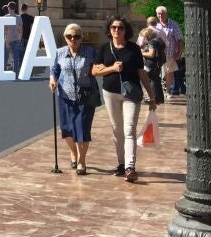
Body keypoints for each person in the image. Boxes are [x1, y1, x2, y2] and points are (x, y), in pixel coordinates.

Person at [92, 16, 157, 183]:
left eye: (120, 27)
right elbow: (95, 71)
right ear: (109, 30)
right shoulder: (104, 48)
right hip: (110, 93)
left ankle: (130, 167)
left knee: (129, 129)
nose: (116, 30)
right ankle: (121, 163)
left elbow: (141, 73)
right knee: (117, 129)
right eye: (113, 27)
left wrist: (151, 96)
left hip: (131, 94)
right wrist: (112, 68)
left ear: (125, 30)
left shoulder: (133, 49)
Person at [49, 24, 98, 175]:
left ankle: (82, 160)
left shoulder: (90, 52)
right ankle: (73, 152)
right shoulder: (60, 52)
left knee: (82, 129)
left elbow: (99, 67)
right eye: (69, 36)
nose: (73, 39)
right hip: (65, 96)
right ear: (65, 38)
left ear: (81, 37)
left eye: (76, 36)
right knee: (67, 129)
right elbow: (55, 68)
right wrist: (52, 79)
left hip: (85, 96)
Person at [155, 6, 183, 96]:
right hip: (157, 55)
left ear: (166, 14)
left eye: (162, 13)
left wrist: (179, 53)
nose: (160, 15)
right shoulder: (155, 25)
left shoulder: (173, 25)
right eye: (158, 13)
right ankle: (159, 92)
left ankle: (167, 92)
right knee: (158, 74)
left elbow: (179, 40)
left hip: (170, 54)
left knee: (168, 74)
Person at [139, 25, 166, 106]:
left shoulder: (151, 42)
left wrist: (141, 53)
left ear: (147, 35)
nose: (143, 38)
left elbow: (151, 54)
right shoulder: (159, 40)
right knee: (156, 81)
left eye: (144, 37)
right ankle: (160, 99)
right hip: (158, 64)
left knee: (152, 81)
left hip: (151, 64)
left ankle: (154, 99)